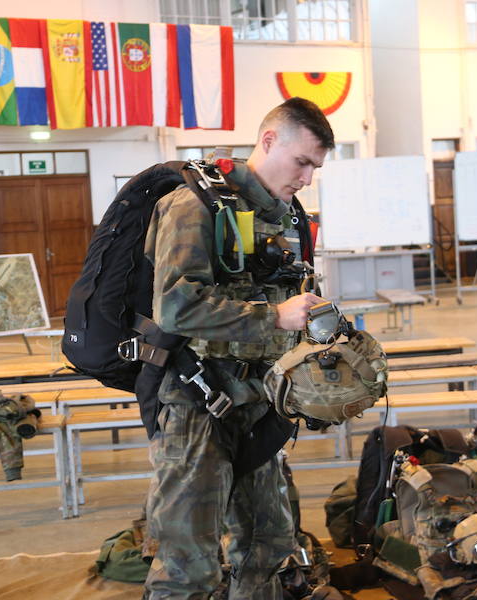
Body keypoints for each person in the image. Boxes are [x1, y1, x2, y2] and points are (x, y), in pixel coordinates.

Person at [143, 97, 333, 599]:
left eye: (315, 167)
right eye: (303, 162)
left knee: (270, 543)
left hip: (259, 400)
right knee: (189, 562)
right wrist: (273, 316)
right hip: (196, 404)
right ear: (269, 141)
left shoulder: (287, 216)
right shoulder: (193, 205)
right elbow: (175, 308)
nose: (307, 178)